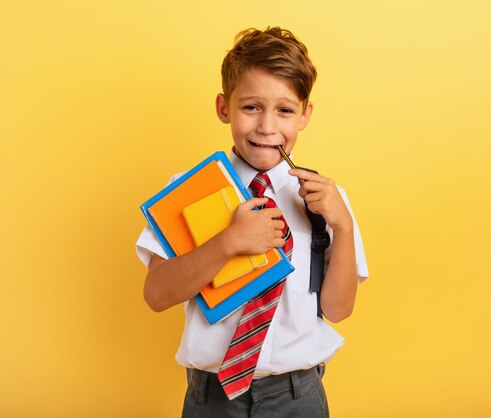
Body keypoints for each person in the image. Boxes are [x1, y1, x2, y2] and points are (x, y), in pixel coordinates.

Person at [136, 26, 368, 418]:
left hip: (299, 396)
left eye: (284, 110)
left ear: (305, 115)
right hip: (212, 400)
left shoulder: (327, 202)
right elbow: (157, 295)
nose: (266, 127)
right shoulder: (190, 191)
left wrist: (342, 228)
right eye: (251, 107)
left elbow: (339, 308)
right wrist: (229, 241)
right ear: (224, 107)